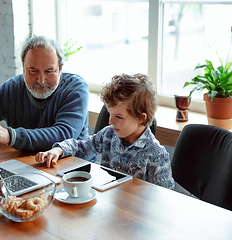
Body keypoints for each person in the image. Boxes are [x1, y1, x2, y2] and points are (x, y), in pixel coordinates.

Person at [0, 36, 90, 153]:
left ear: (60, 68)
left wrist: (10, 136)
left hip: (75, 171)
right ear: (23, 68)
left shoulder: (76, 88)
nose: (41, 79)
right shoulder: (12, 88)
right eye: (33, 70)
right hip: (28, 164)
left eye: (49, 71)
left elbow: (63, 134)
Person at [35, 73, 175, 189]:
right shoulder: (108, 135)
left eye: (118, 117)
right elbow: (82, 146)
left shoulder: (157, 155)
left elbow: (165, 197)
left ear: (140, 118)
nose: (110, 121)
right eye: (110, 114)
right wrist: (58, 150)